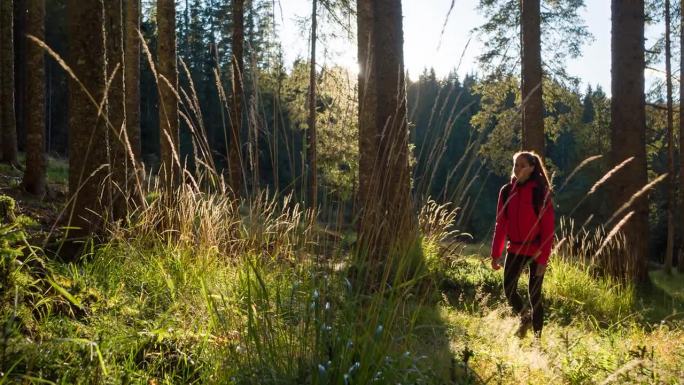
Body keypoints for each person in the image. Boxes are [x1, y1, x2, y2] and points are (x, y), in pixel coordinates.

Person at [490, 151, 555, 339]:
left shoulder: (540, 192)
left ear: (532, 168)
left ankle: (537, 340)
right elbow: (501, 224)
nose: (517, 168)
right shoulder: (506, 191)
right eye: (515, 164)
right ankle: (524, 318)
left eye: (522, 165)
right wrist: (496, 254)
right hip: (515, 248)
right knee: (509, 289)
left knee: (534, 296)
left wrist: (543, 260)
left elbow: (548, 228)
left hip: (536, 251)